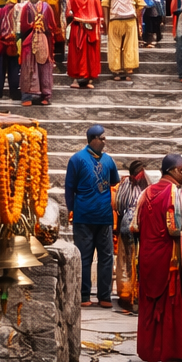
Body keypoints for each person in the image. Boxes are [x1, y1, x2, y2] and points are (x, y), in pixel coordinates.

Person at [133, 152, 182, 362]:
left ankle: (152, 360)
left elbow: (135, 226)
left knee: (151, 308)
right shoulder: (178, 196)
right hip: (171, 261)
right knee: (171, 309)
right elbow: (180, 227)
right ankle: (170, 361)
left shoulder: (145, 193)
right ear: (170, 170)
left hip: (148, 259)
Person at [65, 126, 119, 308]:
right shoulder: (77, 159)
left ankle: (105, 296)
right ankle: (83, 295)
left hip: (104, 217)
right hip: (83, 217)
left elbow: (113, 183)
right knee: (84, 257)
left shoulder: (109, 161)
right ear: (92, 139)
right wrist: (71, 210)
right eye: (102, 138)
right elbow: (69, 188)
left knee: (106, 257)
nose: (104, 141)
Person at [114, 159, 149, 314]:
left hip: (127, 226)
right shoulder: (146, 187)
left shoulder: (124, 185)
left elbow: (118, 205)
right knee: (136, 262)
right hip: (138, 229)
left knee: (128, 262)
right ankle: (134, 297)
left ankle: (128, 296)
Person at [102, 0, 144, 84]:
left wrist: (106, 22)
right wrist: (139, 23)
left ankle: (116, 72)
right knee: (130, 45)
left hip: (114, 20)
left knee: (114, 45)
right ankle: (128, 70)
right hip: (130, 20)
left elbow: (105, 4)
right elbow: (139, 6)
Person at [18, 0, 56, 107]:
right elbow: (52, 26)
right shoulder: (43, 7)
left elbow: (23, 27)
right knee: (31, 67)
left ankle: (42, 95)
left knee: (40, 67)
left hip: (40, 39)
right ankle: (32, 96)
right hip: (33, 40)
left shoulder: (30, 8)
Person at [67, 0, 103, 89]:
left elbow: (100, 15)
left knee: (91, 55)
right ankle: (75, 79)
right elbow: (68, 14)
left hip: (91, 31)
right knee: (75, 55)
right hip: (77, 30)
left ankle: (89, 79)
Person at [0, 0, 21, 102]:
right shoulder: (18, 11)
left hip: (0, 44)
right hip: (13, 44)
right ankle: (13, 91)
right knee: (13, 68)